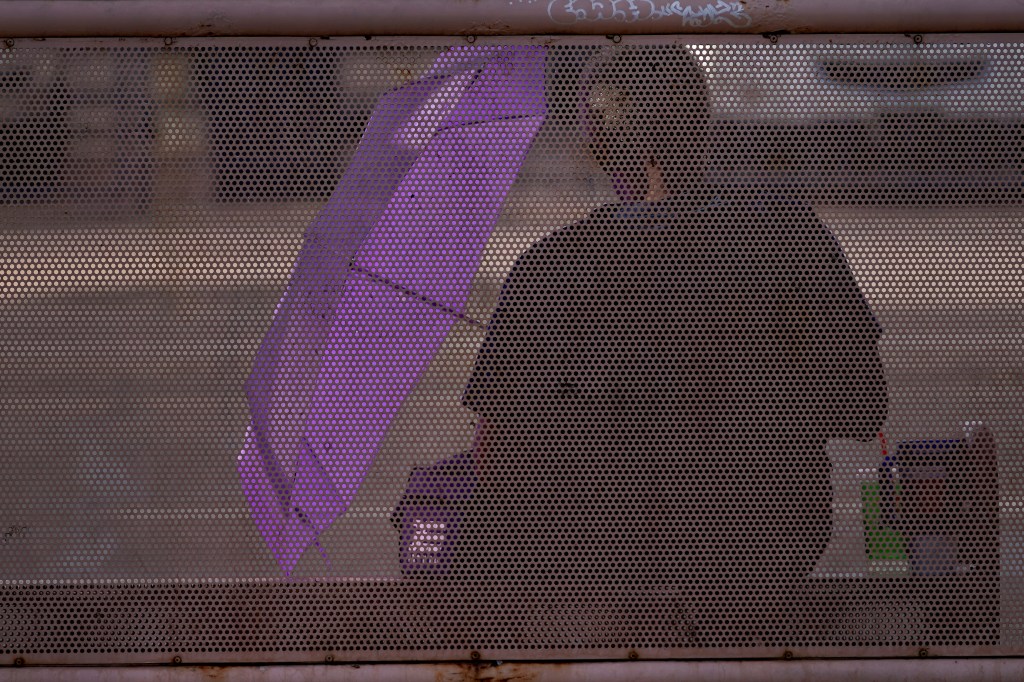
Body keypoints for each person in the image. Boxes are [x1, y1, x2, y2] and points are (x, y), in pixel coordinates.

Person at [449, 45, 889, 645]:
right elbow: (863, 405)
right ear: (703, 124)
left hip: (600, 569)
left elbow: (500, 462)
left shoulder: (550, 269)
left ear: (596, 143)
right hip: (765, 552)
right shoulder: (788, 233)